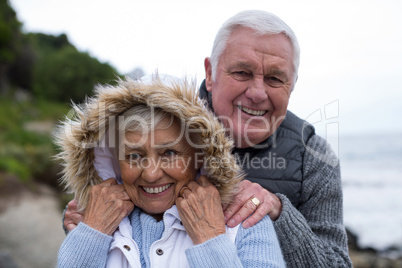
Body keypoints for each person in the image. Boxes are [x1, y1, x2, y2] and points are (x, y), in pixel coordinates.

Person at [63, 10, 352, 267]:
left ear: (293, 85)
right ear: (210, 73)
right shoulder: (162, 116)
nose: (257, 92)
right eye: (242, 72)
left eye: (275, 79)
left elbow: (337, 263)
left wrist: (278, 213)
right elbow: (103, 188)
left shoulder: (312, 156)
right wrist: (86, 225)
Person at [56, 76, 286, 267]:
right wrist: (91, 234)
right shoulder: (94, 221)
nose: (151, 174)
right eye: (134, 156)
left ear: (200, 156)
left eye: (169, 153)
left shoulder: (242, 219)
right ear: (114, 162)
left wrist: (210, 237)